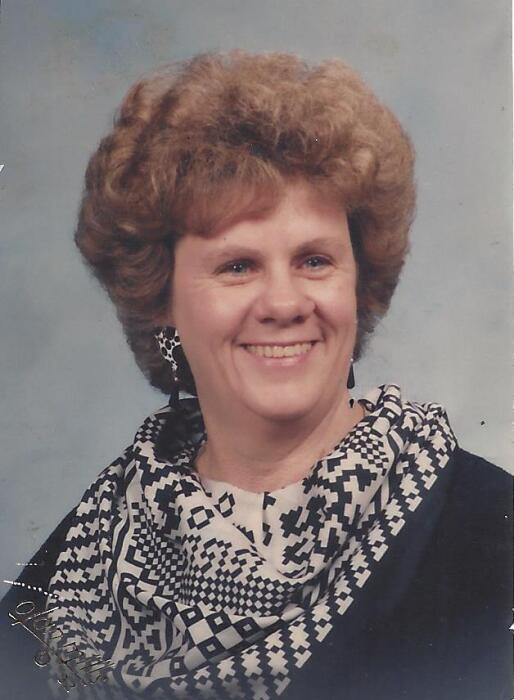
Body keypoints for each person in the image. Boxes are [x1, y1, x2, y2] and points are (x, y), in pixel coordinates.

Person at [1, 51, 512, 700]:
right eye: (237, 266)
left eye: (315, 260)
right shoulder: (93, 543)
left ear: (358, 285)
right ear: (161, 299)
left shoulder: (491, 536)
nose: (284, 303)